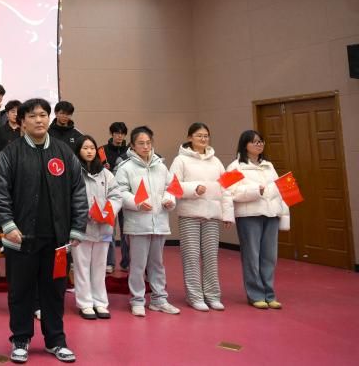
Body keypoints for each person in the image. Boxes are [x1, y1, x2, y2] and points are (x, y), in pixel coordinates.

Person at [0, 98, 88, 364]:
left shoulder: (63, 151)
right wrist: (8, 225)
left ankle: (56, 340)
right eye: (32, 116)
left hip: (57, 240)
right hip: (20, 238)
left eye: (43, 115)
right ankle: (20, 339)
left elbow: (78, 191)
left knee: (54, 292)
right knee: (20, 292)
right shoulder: (11, 153)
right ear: (22, 122)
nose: (39, 120)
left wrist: (77, 227)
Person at [169, 123, 234, 312]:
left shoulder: (216, 161)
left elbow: (226, 189)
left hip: (212, 215)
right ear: (190, 138)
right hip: (190, 214)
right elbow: (172, 186)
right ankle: (195, 296)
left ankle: (213, 296)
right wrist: (193, 189)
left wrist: (227, 214)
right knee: (191, 256)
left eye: (206, 136)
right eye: (199, 135)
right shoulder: (181, 160)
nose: (203, 139)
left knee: (211, 257)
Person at [115, 126, 180, 318]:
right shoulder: (125, 168)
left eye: (148, 143)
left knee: (157, 263)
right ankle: (137, 300)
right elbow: (120, 192)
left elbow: (171, 187)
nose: (145, 147)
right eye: (141, 143)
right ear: (132, 145)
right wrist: (137, 203)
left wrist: (169, 200)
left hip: (159, 222)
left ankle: (159, 299)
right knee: (138, 265)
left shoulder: (161, 165)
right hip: (137, 225)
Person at [226, 130, 289, 310]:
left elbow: (281, 192)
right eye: (254, 142)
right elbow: (229, 192)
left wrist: (283, 214)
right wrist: (255, 191)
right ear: (244, 145)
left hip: (271, 215)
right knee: (251, 256)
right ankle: (255, 294)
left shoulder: (269, 166)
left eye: (261, 141)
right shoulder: (235, 166)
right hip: (249, 216)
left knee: (269, 257)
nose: (259, 144)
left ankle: (270, 294)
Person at [71, 135, 121, 320]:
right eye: (85, 148)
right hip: (81, 228)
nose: (89, 151)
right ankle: (85, 303)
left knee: (100, 267)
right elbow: (68, 198)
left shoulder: (106, 174)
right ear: (78, 151)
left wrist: (108, 212)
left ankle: (100, 302)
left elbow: (116, 196)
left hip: (103, 227)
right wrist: (85, 214)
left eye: (92, 148)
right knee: (82, 267)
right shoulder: (73, 172)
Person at [103, 122, 130, 273]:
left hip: (126, 196)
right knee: (109, 231)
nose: (119, 136)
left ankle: (126, 262)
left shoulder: (130, 151)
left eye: (122, 133)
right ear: (111, 134)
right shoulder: (102, 151)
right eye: (117, 133)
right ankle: (109, 262)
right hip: (109, 196)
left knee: (127, 231)